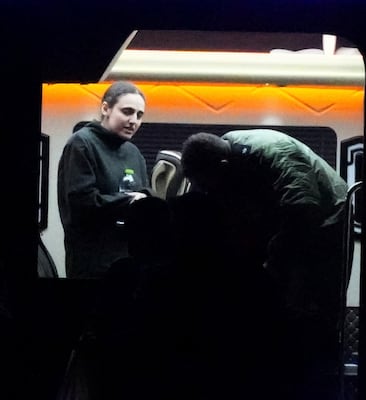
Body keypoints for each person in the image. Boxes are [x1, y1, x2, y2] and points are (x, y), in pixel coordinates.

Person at [181, 129, 348, 396]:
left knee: (308, 312)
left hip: (326, 223)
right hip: (289, 222)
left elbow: (303, 208)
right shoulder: (226, 156)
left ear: (222, 167)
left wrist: (273, 258)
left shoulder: (275, 151)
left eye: (211, 183)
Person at [58, 81, 152, 278]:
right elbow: (82, 205)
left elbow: (145, 197)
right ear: (105, 109)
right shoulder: (82, 144)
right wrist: (130, 200)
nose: (133, 120)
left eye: (139, 115)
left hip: (128, 261)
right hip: (91, 264)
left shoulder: (133, 152)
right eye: (127, 111)